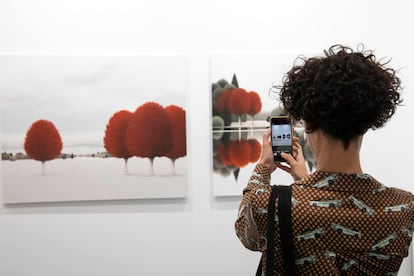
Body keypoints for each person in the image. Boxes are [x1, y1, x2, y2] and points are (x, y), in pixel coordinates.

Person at [235, 44, 414, 275]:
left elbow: (245, 232)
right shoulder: (403, 207)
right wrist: (307, 180)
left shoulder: (270, 205)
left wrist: (263, 168)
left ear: (307, 124)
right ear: (368, 122)